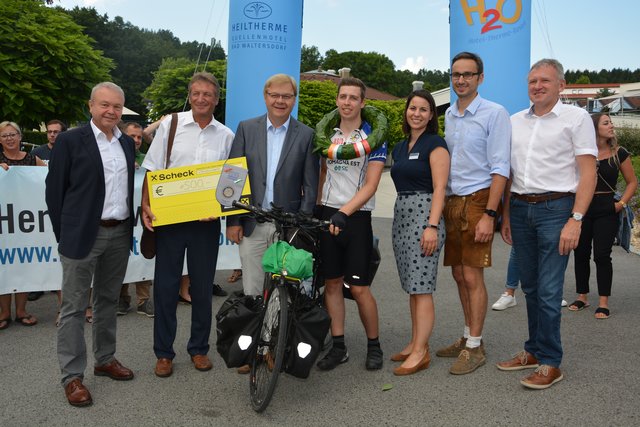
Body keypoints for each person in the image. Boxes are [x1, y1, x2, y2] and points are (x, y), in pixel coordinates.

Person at [498, 58, 597, 389]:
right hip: (520, 207)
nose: (537, 86)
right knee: (530, 287)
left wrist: (576, 220)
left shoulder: (576, 118)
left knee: (551, 289)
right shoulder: (514, 121)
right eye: (532, 81)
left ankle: (551, 361)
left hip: (557, 209)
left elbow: (588, 172)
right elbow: (510, 173)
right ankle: (533, 350)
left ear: (561, 85)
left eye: (544, 80)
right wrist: (507, 217)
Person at [45, 82, 136, 407]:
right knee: (72, 308)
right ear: (91, 106)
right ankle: (72, 377)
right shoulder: (70, 141)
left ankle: (105, 359)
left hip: (120, 232)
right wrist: (65, 234)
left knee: (108, 300)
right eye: (104, 105)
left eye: (116, 106)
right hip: (83, 235)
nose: (111, 111)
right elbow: (54, 192)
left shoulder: (127, 143)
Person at [141, 72, 234, 378]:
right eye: (196, 93)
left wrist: (220, 210)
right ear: (189, 96)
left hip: (205, 224)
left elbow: (231, 180)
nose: (201, 99)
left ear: (216, 100)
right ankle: (164, 353)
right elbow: (152, 170)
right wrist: (146, 205)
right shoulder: (171, 125)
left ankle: (199, 349)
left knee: (202, 287)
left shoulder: (226, 135)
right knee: (166, 288)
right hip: (169, 220)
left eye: (207, 94)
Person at [226, 73, 318, 374]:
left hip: (287, 227)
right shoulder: (246, 128)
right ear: (265, 96)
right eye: (275, 95)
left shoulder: (305, 134)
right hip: (252, 222)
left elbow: (310, 184)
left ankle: (271, 346)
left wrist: (301, 224)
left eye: (287, 96)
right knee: (253, 290)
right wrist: (233, 219)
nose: (280, 101)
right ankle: (252, 348)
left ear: (294, 99)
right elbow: (232, 178)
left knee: (283, 293)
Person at [436, 52, 511, 375]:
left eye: (468, 74)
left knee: (471, 275)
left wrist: (490, 214)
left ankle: (476, 347)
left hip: (480, 201)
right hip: (454, 201)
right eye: (456, 74)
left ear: (480, 78)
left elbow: (501, 168)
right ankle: (468, 336)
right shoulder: (450, 114)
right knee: (457, 274)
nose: (461, 79)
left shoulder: (495, 113)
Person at [315, 77, 386, 371]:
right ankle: (339, 346)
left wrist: (344, 213)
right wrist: (319, 207)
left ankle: (374, 345)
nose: (347, 102)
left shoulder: (374, 135)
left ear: (362, 103)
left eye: (353, 98)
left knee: (358, 289)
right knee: (331, 284)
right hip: (327, 216)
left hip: (355, 218)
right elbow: (323, 174)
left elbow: (371, 185)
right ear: (337, 101)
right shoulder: (326, 134)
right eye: (342, 97)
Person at [389, 90, 449, 376]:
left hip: (425, 216)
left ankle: (421, 351)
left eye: (424, 109)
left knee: (422, 288)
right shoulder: (400, 147)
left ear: (431, 115)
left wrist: (432, 226)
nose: (417, 113)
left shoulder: (435, 144)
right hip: (402, 214)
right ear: (406, 111)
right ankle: (415, 342)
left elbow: (440, 188)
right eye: (412, 108)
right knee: (413, 286)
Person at [569, 113, 637, 319]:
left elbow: (632, 182)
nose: (611, 125)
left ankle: (603, 302)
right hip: (583, 206)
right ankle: (582, 296)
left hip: (607, 207)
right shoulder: (583, 152)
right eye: (606, 122)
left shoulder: (619, 153)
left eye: (611, 122)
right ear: (594, 127)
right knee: (580, 253)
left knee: (601, 255)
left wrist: (621, 204)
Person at [0, 121, 46, 330]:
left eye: (13, 134)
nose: (9, 138)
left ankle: (20, 311)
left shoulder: (32, 159)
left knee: (22, 265)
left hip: (26, 222)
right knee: (3, 266)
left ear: (20, 137)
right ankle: (3, 312)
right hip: (4, 221)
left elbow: (48, 179)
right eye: (4, 135)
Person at [117, 122, 154, 317]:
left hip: (143, 217)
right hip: (123, 216)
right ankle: (122, 297)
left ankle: (144, 299)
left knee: (143, 256)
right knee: (123, 257)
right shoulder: (114, 156)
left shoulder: (147, 159)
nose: (137, 140)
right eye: (132, 136)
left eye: (139, 137)